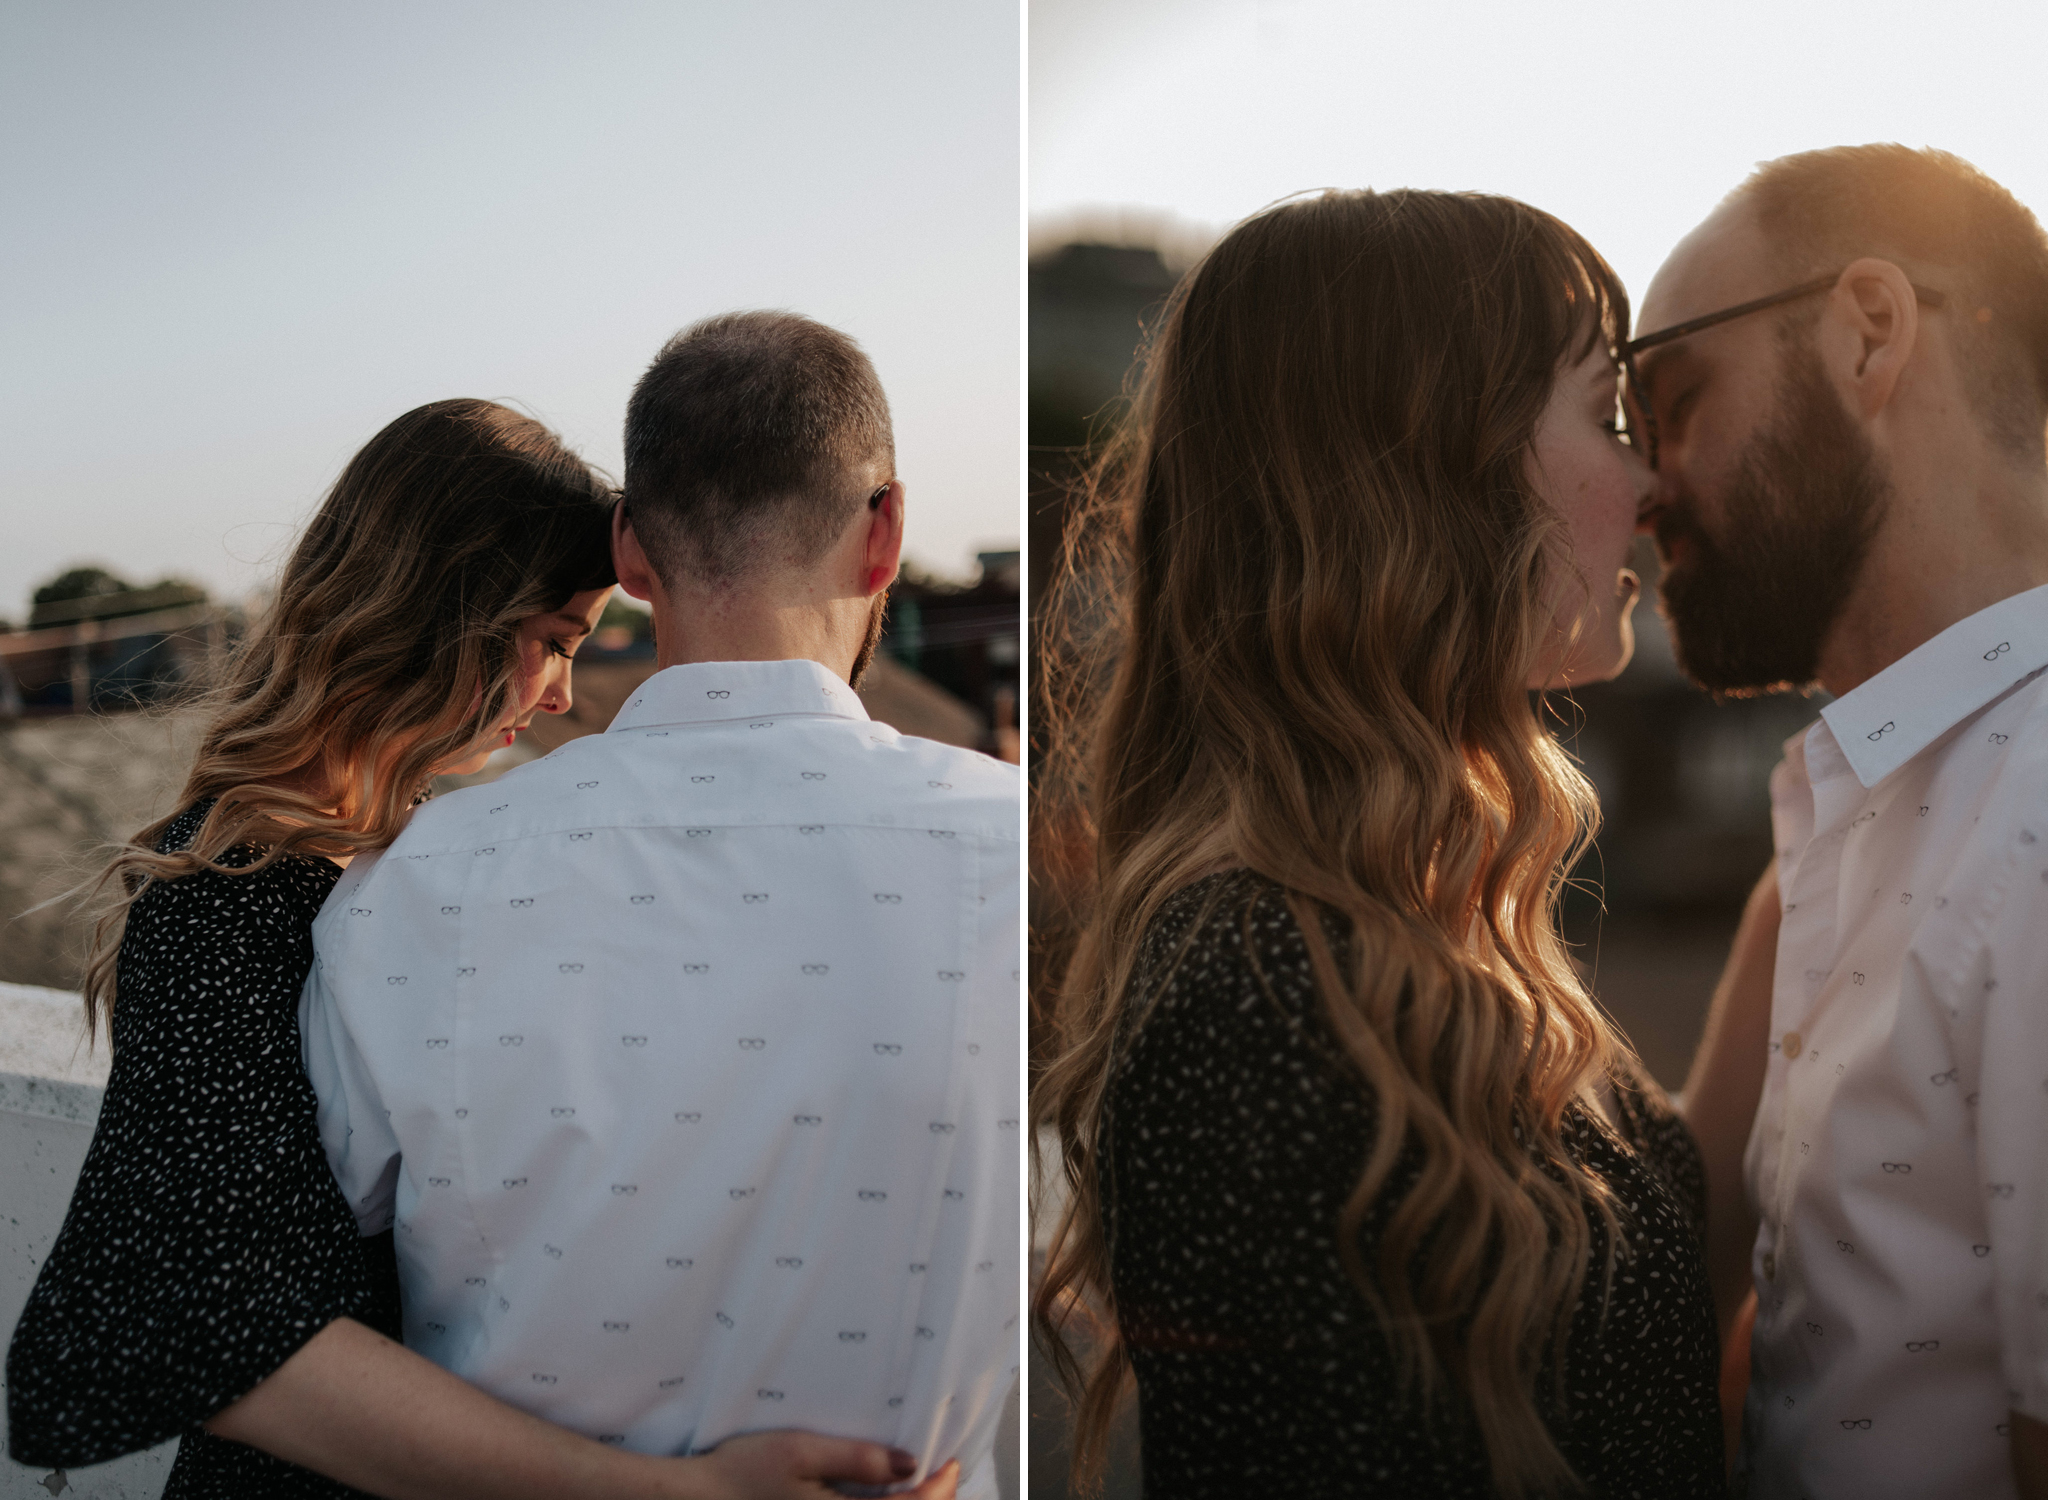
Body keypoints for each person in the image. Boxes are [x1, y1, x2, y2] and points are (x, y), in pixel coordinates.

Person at [4, 398, 957, 1500]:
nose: (562, 691)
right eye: (554, 640)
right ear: (436, 611)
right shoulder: (231, 891)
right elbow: (212, 1321)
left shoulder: (434, 863)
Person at [1030, 188, 1789, 1499]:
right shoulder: (1253, 992)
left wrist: (1804, 903)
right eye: (1606, 417)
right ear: (1438, 473)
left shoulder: (1390, 922)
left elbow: (1644, 1269)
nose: (1652, 479)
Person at [300, 314, 1019, 1498]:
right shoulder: (1018, 851)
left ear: (629, 553)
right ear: (884, 532)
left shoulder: (412, 881)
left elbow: (301, 1285)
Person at [1630, 144, 2048, 1500]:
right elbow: (1701, 1279)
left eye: (1674, 397)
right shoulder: (1846, 818)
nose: (1643, 483)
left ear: (1868, 335)